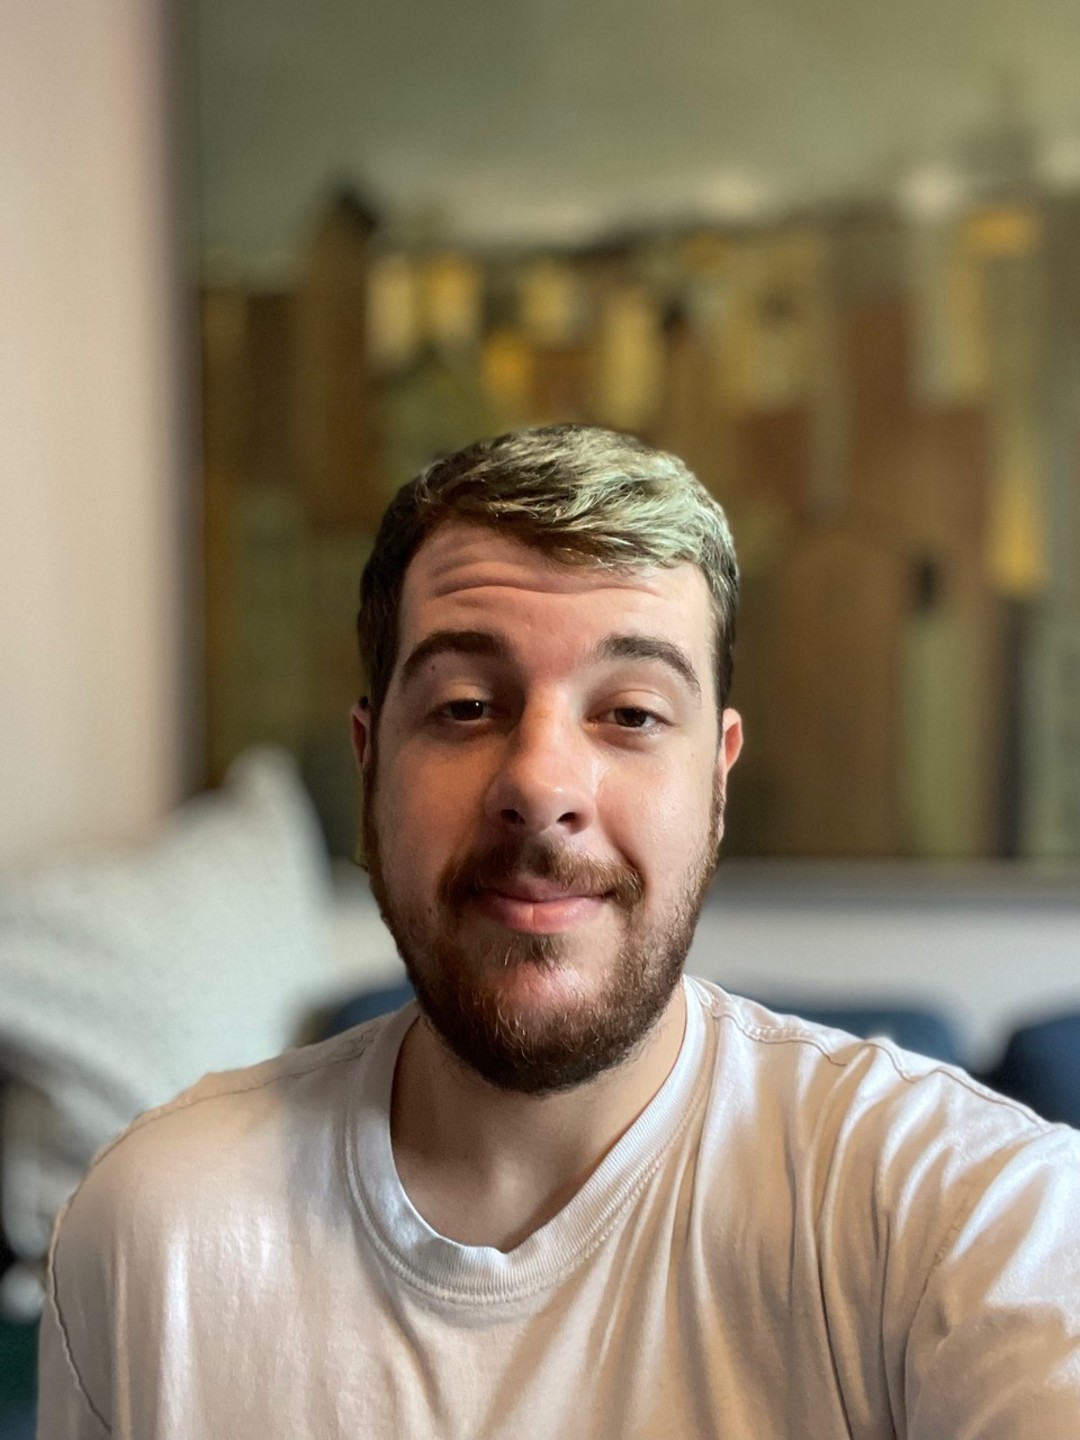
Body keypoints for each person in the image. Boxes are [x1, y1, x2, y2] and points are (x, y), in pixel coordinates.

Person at [40, 426, 1080, 1437]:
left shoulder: (961, 1213)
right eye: (463, 706)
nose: (540, 785)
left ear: (717, 784)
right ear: (369, 767)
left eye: (631, 714)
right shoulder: (154, 1238)